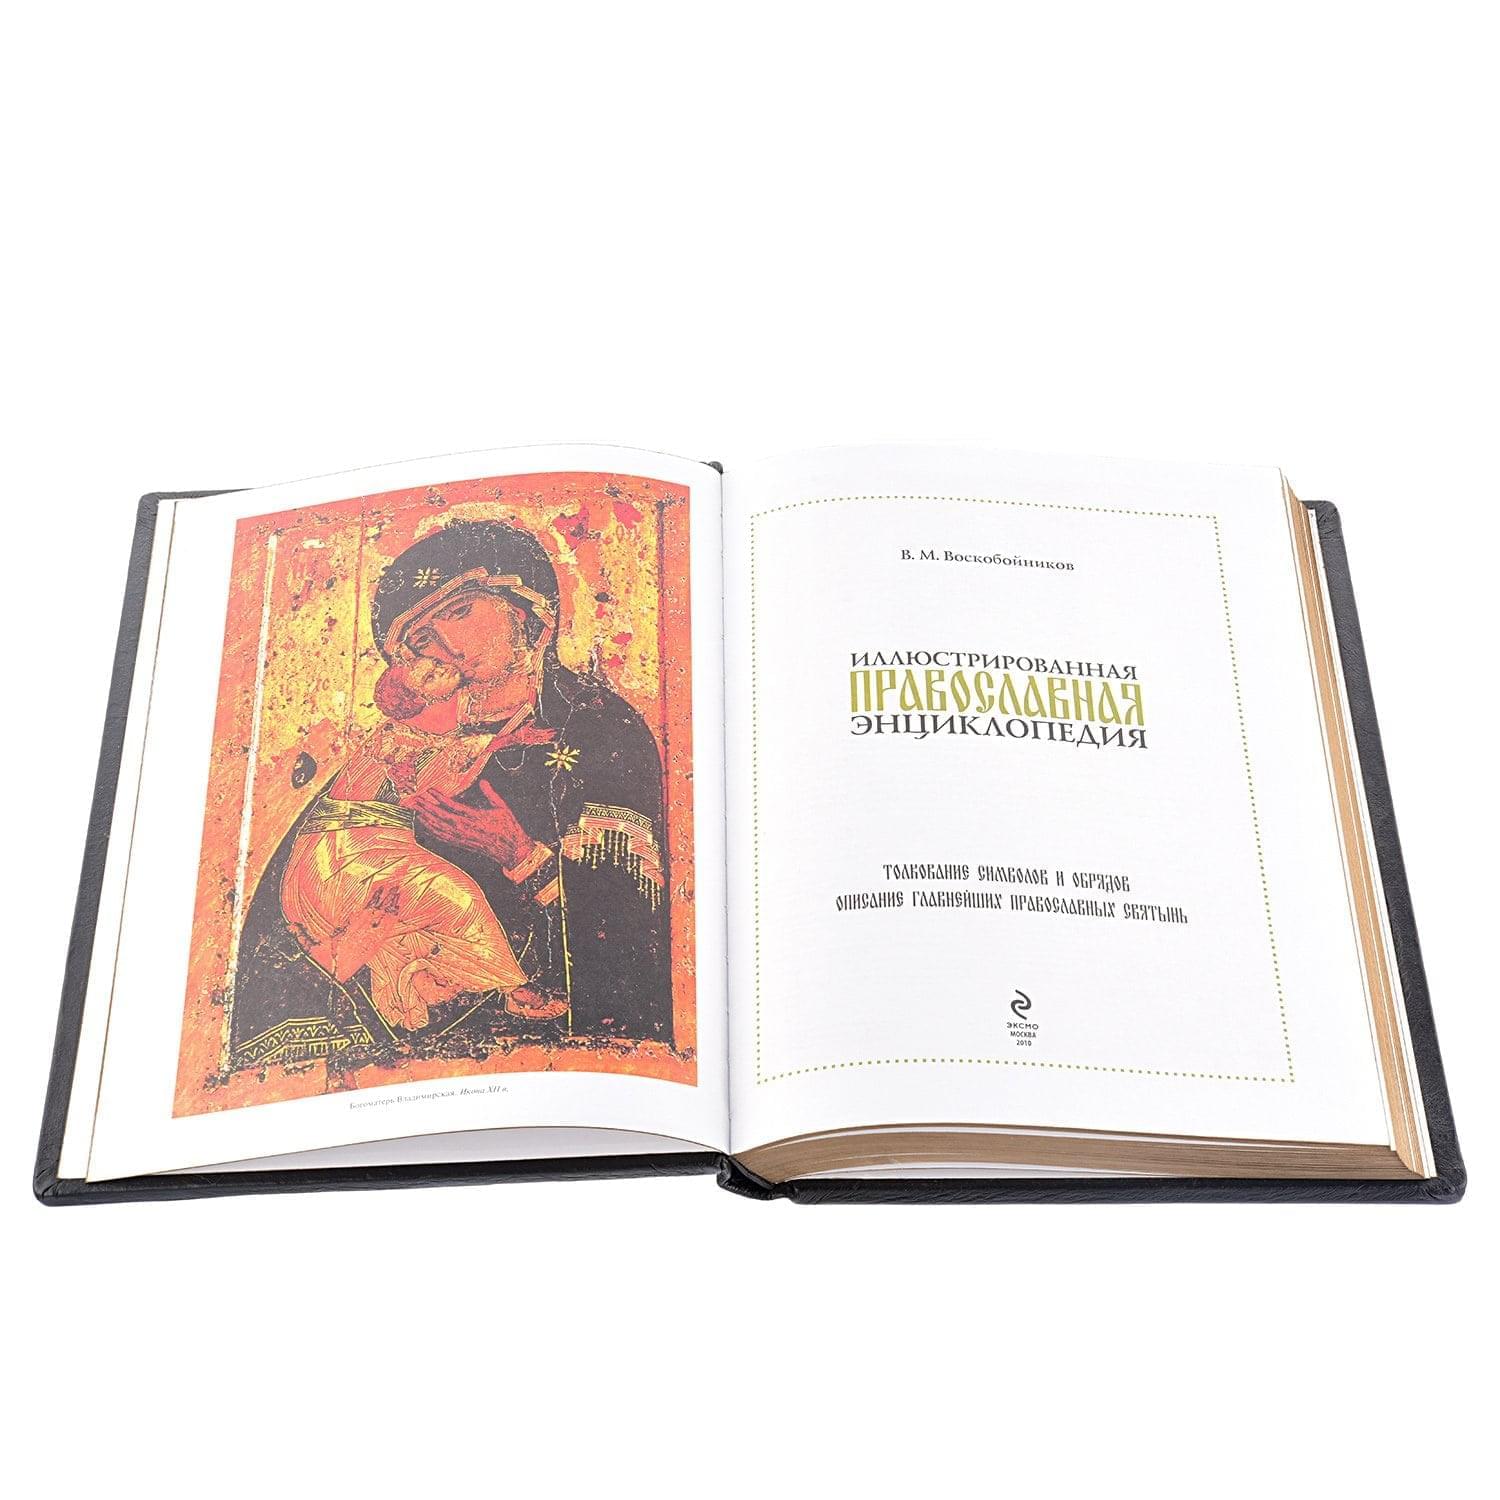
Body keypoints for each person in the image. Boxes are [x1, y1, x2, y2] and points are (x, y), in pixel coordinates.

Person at [226, 519, 674, 1079]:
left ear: (525, 612)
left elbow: (633, 933)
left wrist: (522, 856)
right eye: (421, 639)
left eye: (460, 612)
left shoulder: (596, 730)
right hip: (400, 1058)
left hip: (551, 1058)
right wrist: (352, 946)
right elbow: (271, 971)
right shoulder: (400, 753)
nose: (446, 644)